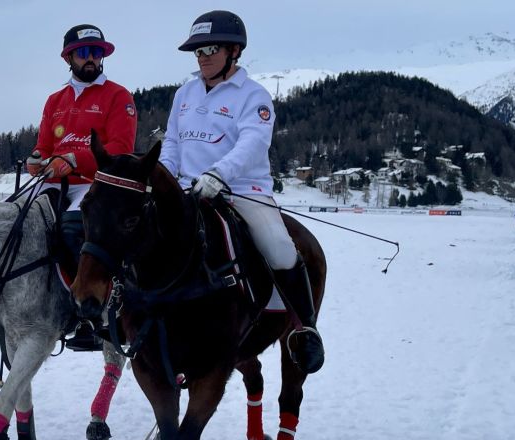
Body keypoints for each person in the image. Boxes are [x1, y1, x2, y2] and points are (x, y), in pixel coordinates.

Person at [158, 11, 325, 374]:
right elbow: (172, 142)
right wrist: (166, 176)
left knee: (280, 248)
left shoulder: (254, 96)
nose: (202, 57)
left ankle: (304, 329)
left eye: (210, 49)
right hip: (188, 191)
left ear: (235, 50)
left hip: (242, 192)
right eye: (197, 51)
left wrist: (218, 174)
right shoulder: (184, 93)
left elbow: (252, 143)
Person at [26, 24, 138, 351]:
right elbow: (44, 145)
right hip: (54, 180)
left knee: (75, 228)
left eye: (96, 52)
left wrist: (76, 160)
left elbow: (119, 148)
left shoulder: (118, 96)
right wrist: (37, 160)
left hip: (97, 182)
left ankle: (90, 313)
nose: (91, 59)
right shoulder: (55, 100)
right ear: (69, 58)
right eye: (84, 53)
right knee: (13, 223)